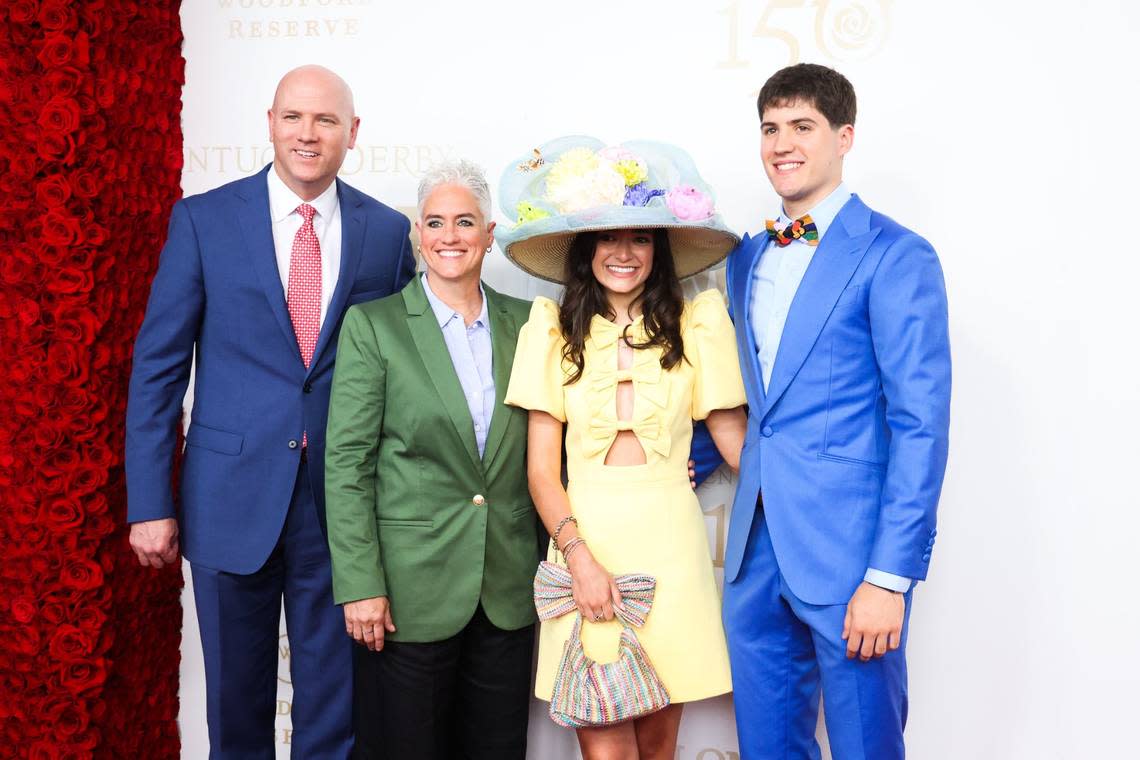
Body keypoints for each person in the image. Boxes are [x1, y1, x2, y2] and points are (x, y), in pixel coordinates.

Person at [124, 65, 415, 758]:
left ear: (352, 132)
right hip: (227, 499)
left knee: (335, 711)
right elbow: (159, 370)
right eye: (294, 118)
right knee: (234, 708)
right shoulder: (204, 219)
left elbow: (407, 373)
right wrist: (148, 501)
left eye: (324, 121)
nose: (307, 134)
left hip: (342, 507)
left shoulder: (386, 231)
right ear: (270, 123)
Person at [719, 63, 951, 759]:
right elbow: (757, 404)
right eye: (769, 128)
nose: (781, 144)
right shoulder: (744, 258)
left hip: (851, 559)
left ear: (844, 137)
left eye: (802, 127)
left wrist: (889, 577)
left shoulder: (897, 256)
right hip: (755, 554)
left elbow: (922, 425)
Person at [499, 137, 748, 760]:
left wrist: (819, 504)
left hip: (673, 547)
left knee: (659, 750)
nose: (624, 252)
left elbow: (738, 443)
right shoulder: (550, 331)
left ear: (659, 250)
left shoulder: (698, 324)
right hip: (587, 543)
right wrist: (579, 559)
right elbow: (540, 472)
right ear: (586, 250)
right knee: (606, 748)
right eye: (609, 238)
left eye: (640, 238)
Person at [323, 159, 539, 760]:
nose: (450, 236)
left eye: (465, 222)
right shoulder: (375, 326)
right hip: (404, 594)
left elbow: (562, 446)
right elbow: (346, 465)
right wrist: (361, 583)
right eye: (436, 222)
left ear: (489, 234)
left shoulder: (529, 326)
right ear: (417, 234)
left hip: (505, 585)